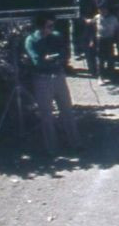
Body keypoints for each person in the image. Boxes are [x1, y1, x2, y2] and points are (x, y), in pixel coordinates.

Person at [24, 13, 79, 154]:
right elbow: (38, 61)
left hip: (58, 76)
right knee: (46, 114)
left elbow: (65, 54)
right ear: (41, 27)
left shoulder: (56, 36)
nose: (52, 28)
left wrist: (51, 58)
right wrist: (54, 58)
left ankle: (74, 143)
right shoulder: (31, 40)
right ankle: (51, 148)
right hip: (42, 79)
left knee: (67, 110)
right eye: (49, 26)